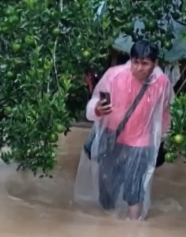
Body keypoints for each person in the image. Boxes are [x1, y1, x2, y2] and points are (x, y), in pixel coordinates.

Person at [73, 39, 173, 220]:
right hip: (112, 136)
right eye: (136, 62)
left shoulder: (162, 83)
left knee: (134, 187)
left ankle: (133, 227)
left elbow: (164, 112)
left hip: (141, 142)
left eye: (145, 63)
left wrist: (164, 138)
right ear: (131, 60)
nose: (139, 68)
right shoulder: (114, 75)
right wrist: (97, 109)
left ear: (155, 63)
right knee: (106, 187)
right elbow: (95, 102)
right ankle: (108, 226)